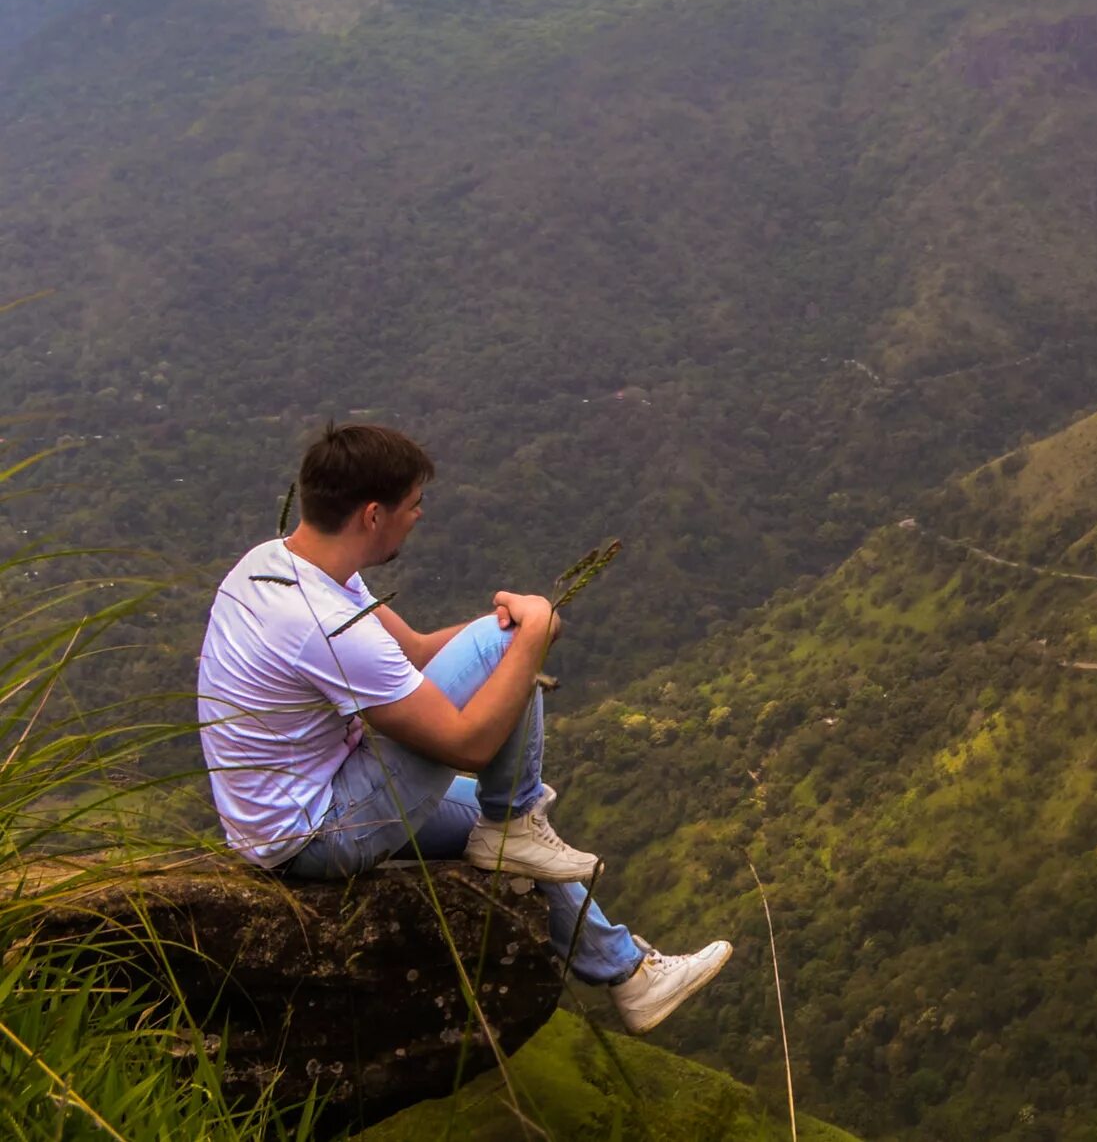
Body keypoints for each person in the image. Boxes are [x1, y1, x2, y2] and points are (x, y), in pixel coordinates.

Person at [196, 423, 729, 1034]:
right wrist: (523, 636)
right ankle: (515, 819)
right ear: (373, 515)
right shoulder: (318, 620)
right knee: (503, 759)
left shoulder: (285, 565)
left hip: (283, 812)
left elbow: (417, 655)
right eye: (413, 505)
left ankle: (629, 976)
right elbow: (468, 743)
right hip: (317, 833)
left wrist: (496, 630)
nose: (419, 516)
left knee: (493, 804)